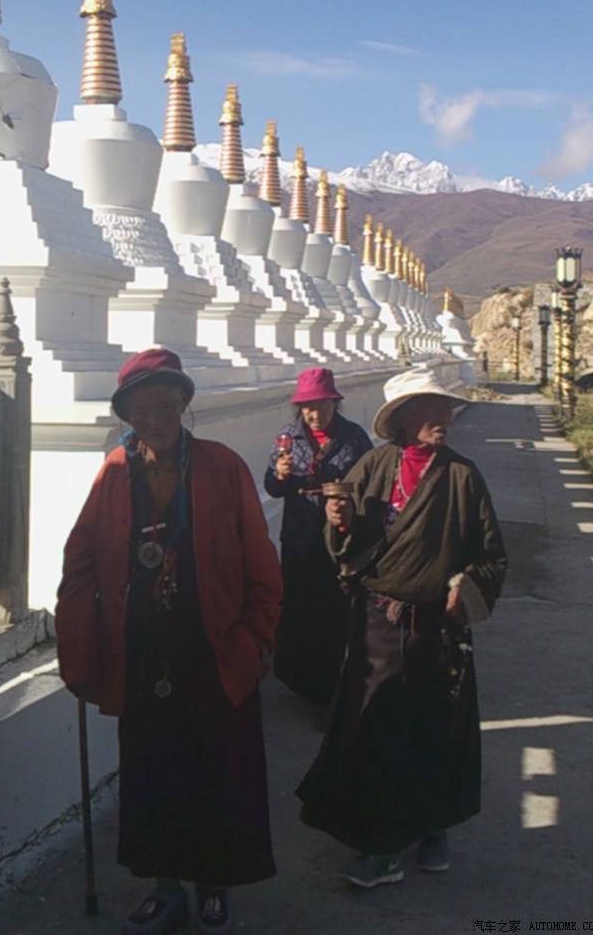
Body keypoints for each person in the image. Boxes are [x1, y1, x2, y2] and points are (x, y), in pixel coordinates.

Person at [55, 349, 282, 935]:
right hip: (143, 655)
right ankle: (165, 888)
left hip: (214, 650)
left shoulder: (221, 465)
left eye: (165, 405)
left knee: (216, 772)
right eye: (141, 409)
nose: (154, 418)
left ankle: (213, 885)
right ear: (127, 414)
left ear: (183, 405)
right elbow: (80, 562)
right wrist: (78, 646)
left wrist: (258, 638)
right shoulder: (114, 473)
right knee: (153, 774)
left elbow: (260, 557)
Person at [296, 367, 507, 886]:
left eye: (445, 408)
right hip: (378, 623)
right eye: (429, 409)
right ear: (402, 419)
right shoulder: (375, 466)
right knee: (376, 730)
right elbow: (347, 544)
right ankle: (382, 844)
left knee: (435, 730)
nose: (442, 417)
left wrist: (464, 590)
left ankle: (434, 826)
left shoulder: (462, 477)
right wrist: (340, 523)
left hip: (437, 629)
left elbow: (491, 554)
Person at [264, 367, 372, 706]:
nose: (314, 414)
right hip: (299, 539)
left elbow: (369, 485)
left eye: (321, 406)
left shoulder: (353, 438)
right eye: (307, 407)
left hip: (337, 541)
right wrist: (279, 476)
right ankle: (297, 680)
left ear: (334, 403)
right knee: (297, 609)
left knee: (332, 613)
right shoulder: (288, 438)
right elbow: (272, 487)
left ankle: (330, 689)